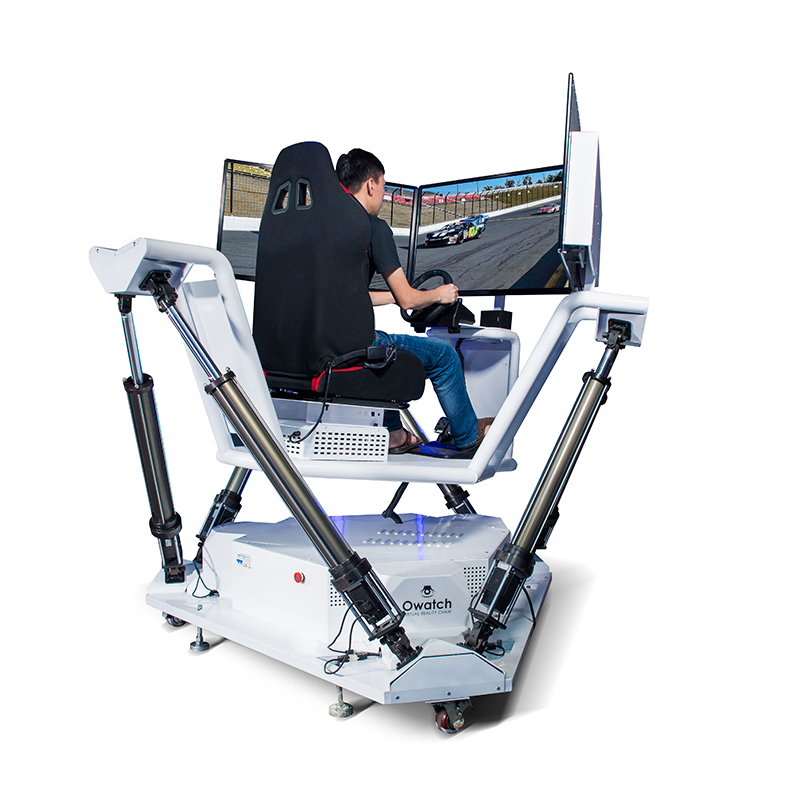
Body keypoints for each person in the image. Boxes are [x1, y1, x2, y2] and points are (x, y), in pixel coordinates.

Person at [335, 148, 492, 456]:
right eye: (383, 187)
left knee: (384, 348)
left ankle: (394, 433)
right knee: (444, 356)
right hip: (356, 344)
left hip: (323, 346)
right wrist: (439, 295)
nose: (383, 196)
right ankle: (468, 434)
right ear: (370, 185)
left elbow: (349, 296)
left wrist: (393, 298)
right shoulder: (372, 227)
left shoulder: (327, 227)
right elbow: (409, 299)